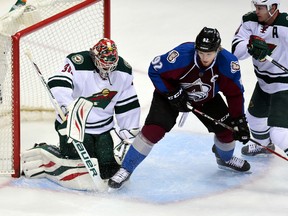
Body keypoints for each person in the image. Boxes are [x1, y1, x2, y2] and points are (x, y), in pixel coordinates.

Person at [108, 27, 251, 190]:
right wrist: (173, 93)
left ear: (217, 50)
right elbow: (154, 70)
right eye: (201, 53)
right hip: (171, 95)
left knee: (228, 131)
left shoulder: (228, 63)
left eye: (209, 54)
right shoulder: (181, 56)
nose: (205, 58)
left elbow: (235, 94)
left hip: (206, 98)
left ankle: (225, 159)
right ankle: (126, 169)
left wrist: (239, 120)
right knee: (153, 131)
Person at [21, 38, 141, 191]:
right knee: (80, 160)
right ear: (94, 56)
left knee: (107, 163)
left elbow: (127, 103)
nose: (108, 66)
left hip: (103, 129)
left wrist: (129, 130)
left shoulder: (123, 72)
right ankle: (46, 154)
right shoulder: (78, 62)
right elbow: (58, 82)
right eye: (104, 61)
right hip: (74, 126)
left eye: (112, 62)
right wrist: (68, 107)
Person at [232, 0, 288, 157]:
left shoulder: (285, 25)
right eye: (256, 7)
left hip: (284, 85)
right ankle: (263, 145)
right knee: (254, 118)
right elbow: (236, 51)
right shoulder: (249, 21)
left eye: (261, 8)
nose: (257, 11)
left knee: (280, 134)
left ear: (273, 8)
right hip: (263, 82)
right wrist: (250, 48)